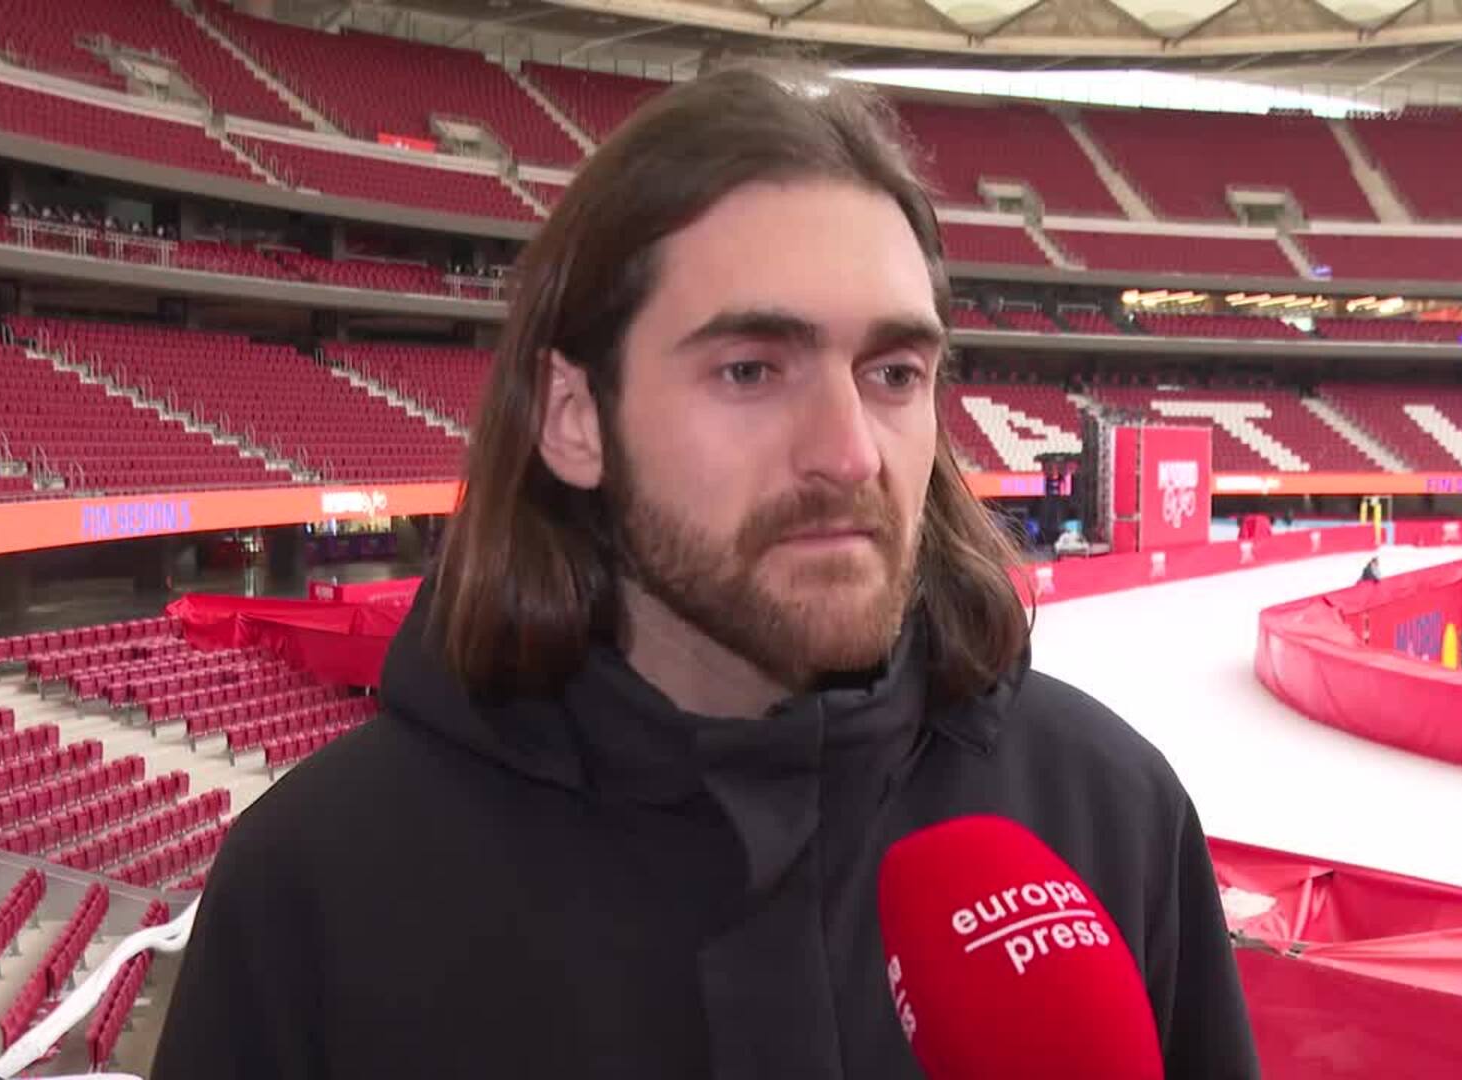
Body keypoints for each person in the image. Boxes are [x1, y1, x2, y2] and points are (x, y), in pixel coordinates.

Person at [152, 64, 1258, 1080]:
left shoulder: (1109, 812)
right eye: (750, 370)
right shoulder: (320, 888)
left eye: (894, 372)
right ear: (576, 418)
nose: (851, 453)